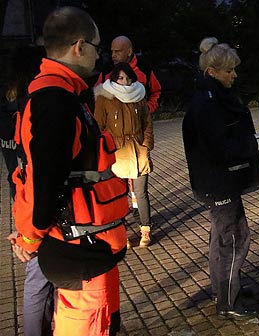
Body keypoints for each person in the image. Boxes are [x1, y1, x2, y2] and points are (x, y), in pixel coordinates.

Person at [12, 7, 129, 336]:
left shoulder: (62, 95)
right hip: (81, 254)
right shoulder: (55, 101)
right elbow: (44, 181)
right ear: (80, 46)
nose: (99, 55)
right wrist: (31, 238)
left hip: (87, 251)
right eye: (97, 47)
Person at [182, 37, 259, 320]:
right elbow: (219, 148)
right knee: (233, 240)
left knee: (224, 237)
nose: (234, 75)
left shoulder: (212, 98)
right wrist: (254, 145)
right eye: (229, 70)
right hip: (218, 183)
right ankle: (228, 301)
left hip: (221, 183)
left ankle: (226, 291)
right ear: (212, 72)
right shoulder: (208, 104)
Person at [3, 46, 55, 336]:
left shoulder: (12, 112)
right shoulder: (36, 109)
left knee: (38, 283)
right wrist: (29, 236)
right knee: (38, 284)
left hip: (23, 203)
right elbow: (40, 175)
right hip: (36, 210)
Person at [94, 62, 154, 247]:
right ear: (113, 78)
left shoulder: (139, 94)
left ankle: (146, 229)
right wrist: (105, 150)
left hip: (138, 150)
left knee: (141, 192)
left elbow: (147, 121)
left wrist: (147, 143)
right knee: (119, 195)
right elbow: (99, 126)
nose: (125, 82)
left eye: (128, 78)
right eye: (120, 78)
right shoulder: (105, 97)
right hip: (117, 152)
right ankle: (123, 233)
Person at [96, 36, 161, 113]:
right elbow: (96, 96)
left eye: (117, 51)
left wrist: (147, 109)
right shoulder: (106, 71)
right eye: (112, 51)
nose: (113, 55)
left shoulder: (144, 69)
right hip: (113, 122)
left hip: (139, 121)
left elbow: (156, 92)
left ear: (129, 52)